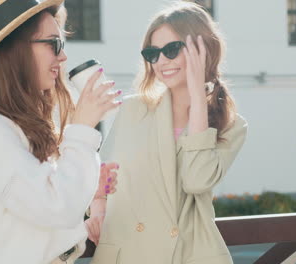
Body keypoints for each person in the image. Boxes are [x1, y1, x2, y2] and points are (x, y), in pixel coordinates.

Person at [0, 0, 120, 263]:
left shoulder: (16, 119)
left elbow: (41, 210)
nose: (63, 56)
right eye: (54, 44)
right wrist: (82, 129)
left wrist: (92, 190)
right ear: (16, 50)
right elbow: (56, 207)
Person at [88, 2, 248, 263]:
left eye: (172, 50)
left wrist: (198, 97)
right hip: (126, 251)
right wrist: (97, 206)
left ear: (203, 49)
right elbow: (102, 174)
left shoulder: (231, 125)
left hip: (187, 254)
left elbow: (196, 180)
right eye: (153, 53)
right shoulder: (133, 109)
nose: (161, 61)